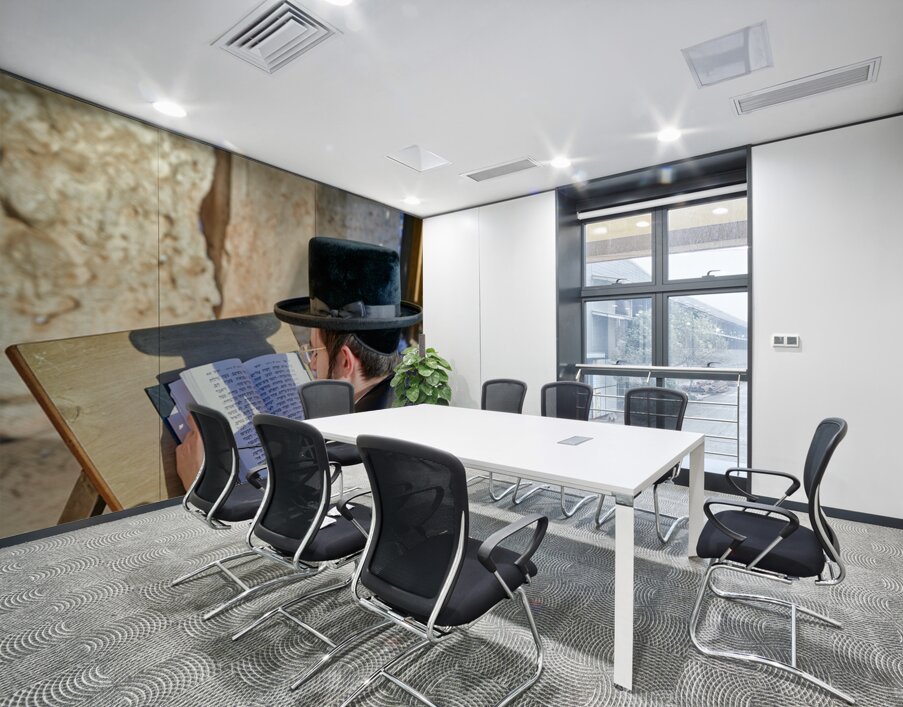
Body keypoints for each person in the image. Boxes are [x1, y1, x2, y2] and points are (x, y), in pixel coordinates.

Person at [175, 237, 421, 487]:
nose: (312, 365)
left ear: (346, 361)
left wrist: (198, 482)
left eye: (315, 352)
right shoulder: (401, 408)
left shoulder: (351, 451)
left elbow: (308, 522)